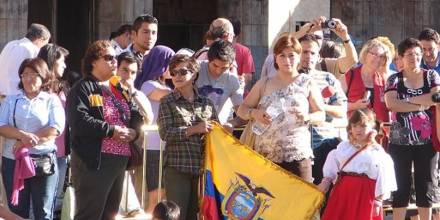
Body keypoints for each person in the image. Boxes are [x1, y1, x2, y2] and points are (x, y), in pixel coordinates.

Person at [66, 40, 144, 220]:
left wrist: (134, 131)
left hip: (119, 160)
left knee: (110, 214)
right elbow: (79, 121)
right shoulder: (82, 87)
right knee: (90, 214)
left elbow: (135, 113)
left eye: (115, 58)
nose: (114, 62)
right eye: (108, 58)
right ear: (94, 61)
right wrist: (111, 130)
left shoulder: (118, 87)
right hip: (95, 160)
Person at [237, 34, 325, 182]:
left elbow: (321, 115)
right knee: (268, 202)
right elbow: (242, 109)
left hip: (297, 154)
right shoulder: (264, 83)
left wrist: (307, 117)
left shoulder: (307, 82)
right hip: (265, 155)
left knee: (301, 202)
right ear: (275, 58)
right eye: (282, 56)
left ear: (298, 57)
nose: (287, 60)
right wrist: (255, 113)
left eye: (291, 55)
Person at [0, 58, 65, 219]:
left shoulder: (51, 100)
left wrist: (25, 141)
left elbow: (55, 128)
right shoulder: (11, 100)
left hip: (43, 161)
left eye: (33, 74)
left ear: (43, 76)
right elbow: (1, 126)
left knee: (43, 210)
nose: (28, 79)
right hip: (13, 160)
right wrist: (23, 135)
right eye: (24, 75)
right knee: (17, 210)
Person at [384, 38, 440, 220]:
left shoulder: (431, 76)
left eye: (417, 54)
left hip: (427, 141)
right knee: (401, 187)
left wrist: (406, 101)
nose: (414, 57)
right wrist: (420, 103)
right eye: (409, 54)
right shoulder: (394, 78)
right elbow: (391, 104)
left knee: (426, 186)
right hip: (399, 141)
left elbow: (436, 98)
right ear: (401, 57)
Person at [157, 54, 218, 220]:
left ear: (194, 74)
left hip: (201, 171)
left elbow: (217, 137)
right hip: (177, 168)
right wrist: (195, 129)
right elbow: (165, 133)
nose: (177, 76)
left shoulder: (207, 103)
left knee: (196, 216)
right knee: (176, 216)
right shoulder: (166, 102)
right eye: (173, 72)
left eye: (182, 72)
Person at [318, 109, 397, 220]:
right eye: (354, 126)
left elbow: (384, 176)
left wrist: (378, 201)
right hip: (343, 191)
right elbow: (333, 163)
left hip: (365, 194)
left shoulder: (376, 151)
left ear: (372, 127)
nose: (358, 130)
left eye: (363, 126)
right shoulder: (344, 147)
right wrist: (326, 182)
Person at [298, 34, 348, 185]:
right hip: (297, 146)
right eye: (304, 52)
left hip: (324, 144)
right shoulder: (288, 79)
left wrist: (319, 105)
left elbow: (342, 110)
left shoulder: (328, 78)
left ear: (318, 56)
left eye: (312, 53)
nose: (308, 56)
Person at [136, 45, 175, 214]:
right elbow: (169, 95)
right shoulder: (148, 85)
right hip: (153, 147)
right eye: (172, 64)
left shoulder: (166, 85)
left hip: (165, 146)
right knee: (155, 196)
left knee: (164, 196)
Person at [37, 43, 70, 213]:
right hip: (43, 151)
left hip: (62, 151)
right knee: (42, 200)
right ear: (51, 62)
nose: (65, 65)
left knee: (56, 199)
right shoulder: (37, 89)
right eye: (61, 61)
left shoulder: (62, 87)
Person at [345, 38, 392, 135]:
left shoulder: (384, 80)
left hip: (379, 137)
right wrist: (355, 106)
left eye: (381, 56)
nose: (377, 59)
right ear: (365, 54)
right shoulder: (349, 75)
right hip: (354, 135)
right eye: (374, 54)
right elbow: (335, 106)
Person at [196, 40, 245, 131]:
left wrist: (231, 123)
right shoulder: (195, 70)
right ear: (208, 59)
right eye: (215, 65)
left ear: (231, 65)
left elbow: (242, 114)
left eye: (224, 68)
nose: (218, 71)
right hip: (192, 129)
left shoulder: (232, 80)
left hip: (216, 131)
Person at [0, 23, 50, 98]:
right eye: (46, 43)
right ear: (41, 39)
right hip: (17, 97)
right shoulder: (33, 49)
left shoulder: (10, 44)